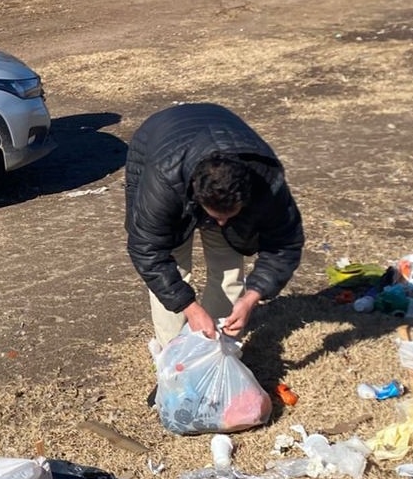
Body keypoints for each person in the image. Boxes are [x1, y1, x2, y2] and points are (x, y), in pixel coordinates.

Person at [124, 102, 304, 347]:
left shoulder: (265, 180)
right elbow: (148, 250)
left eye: (230, 216)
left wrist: (252, 297)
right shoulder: (163, 182)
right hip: (158, 145)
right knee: (175, 262)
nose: (221, 223)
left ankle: (221, 345)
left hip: (217, 146)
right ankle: (175, 354)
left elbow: (285, 242)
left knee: (228, 265)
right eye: (215, 215)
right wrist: (189, 307)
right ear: (196, 197)